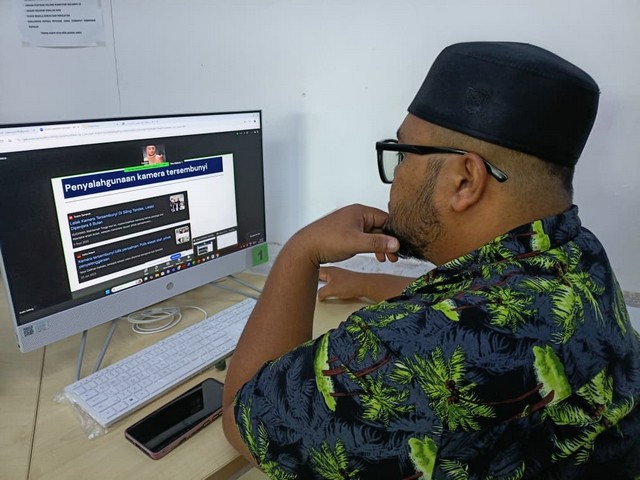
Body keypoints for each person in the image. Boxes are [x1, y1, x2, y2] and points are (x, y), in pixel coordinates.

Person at [222, 41, 640, 479]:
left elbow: (242, 415)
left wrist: (300, 252)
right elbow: (483, 304)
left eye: (404, 155)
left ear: (465, 181)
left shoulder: (416, 354)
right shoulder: (576, 252)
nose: (396, 176)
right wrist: (366, 283)